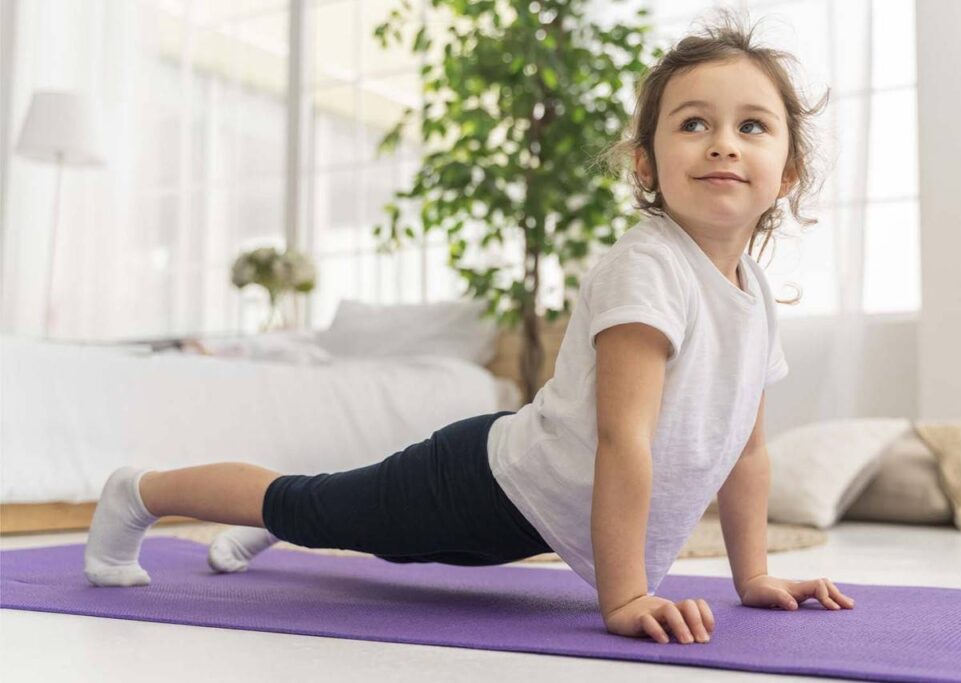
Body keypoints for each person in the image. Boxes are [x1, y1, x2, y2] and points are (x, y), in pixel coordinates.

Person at [84, 8, 855, 645]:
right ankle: (140, 492)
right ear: (646, 165)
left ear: (786, 173)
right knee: (311, 503)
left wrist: (751, 578)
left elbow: (746, 450)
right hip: (486, 482)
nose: (724, 141)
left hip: (538, 504)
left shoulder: (753, 293)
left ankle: (290, 524)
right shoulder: (648, 269)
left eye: (753, 126)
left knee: (344, 515)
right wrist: (623, 598)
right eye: (694, 123)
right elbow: (627, 440)